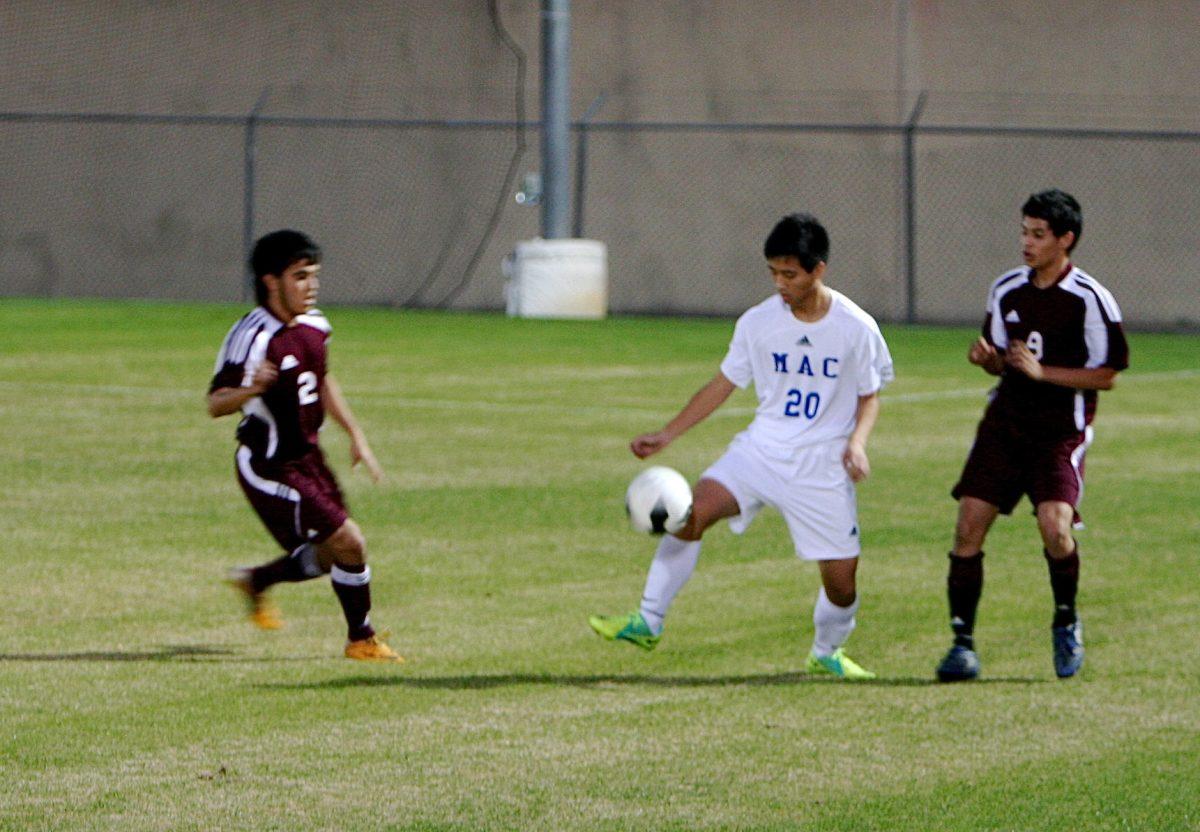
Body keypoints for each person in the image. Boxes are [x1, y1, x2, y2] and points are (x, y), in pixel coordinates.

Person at [588, 213, 894, 680]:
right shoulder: (757, 323)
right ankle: (647, 620)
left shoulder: (856, 327)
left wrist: (857, 442)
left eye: (789, 274)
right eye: (773, 272)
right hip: (760, 453)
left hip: (820, 467)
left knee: (842, 582)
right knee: (689, 514)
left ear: (818, 270)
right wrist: (669, 433)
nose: (780, 283)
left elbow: (869, 396)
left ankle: (826, 650)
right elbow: (723, 383)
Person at [936, 189, 1129, 682]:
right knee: (968, 526)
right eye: (1024, 231)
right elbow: (1005, 361)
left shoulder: (1090, 299)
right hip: (1005, 426)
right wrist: (990, 362)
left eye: (1038, 235)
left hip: (1059, 433)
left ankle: (1066, 620)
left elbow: (1107, 374)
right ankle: (962, 645)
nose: (1026, 242)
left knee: (1055, 527)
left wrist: (1045, 374)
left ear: (1066, 240)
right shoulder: (1006, 289)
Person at [208, 229, 402, 662]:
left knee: (335, 555)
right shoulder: (252, 336)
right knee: (350, 543)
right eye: (300, 276)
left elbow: (323, 379)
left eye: (314, 275)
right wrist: (249, 389)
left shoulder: (315, 326)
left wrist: (356, 435)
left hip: (309, 459)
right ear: (270, 281)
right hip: (268, 464)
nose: (311, 286)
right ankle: (361, 640)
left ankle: (256, 581)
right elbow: (215, 403)